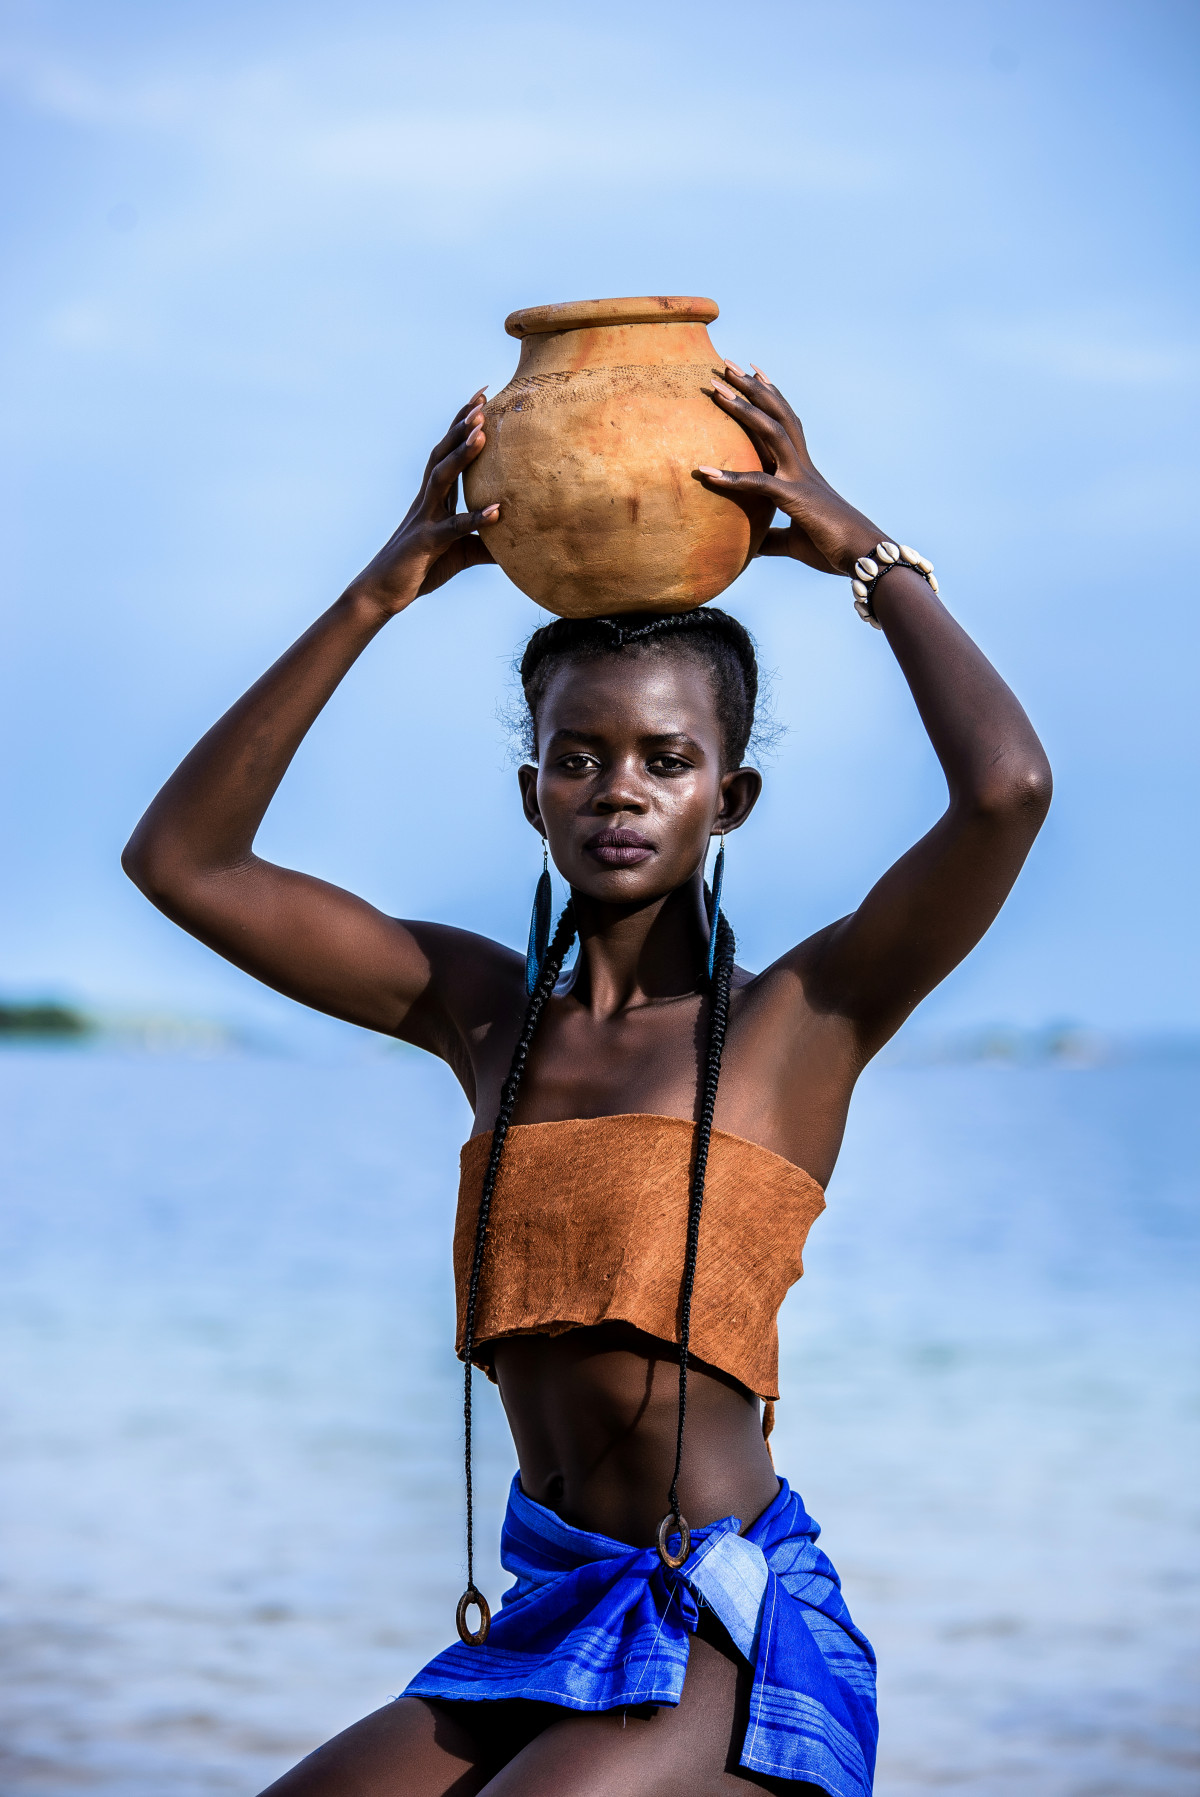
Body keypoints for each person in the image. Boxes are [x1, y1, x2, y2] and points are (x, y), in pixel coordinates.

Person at [123, 365, 1051, 1797]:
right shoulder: (482, 1015)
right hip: (549, 1612)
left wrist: (861, 549)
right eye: (580, 757)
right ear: (534, 790)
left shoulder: (802, 1021)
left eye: (666, 759)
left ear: (726, 798)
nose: (619, 787)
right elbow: (183, 861)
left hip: (719, 1622)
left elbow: (1006, 790)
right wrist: (382, 589)